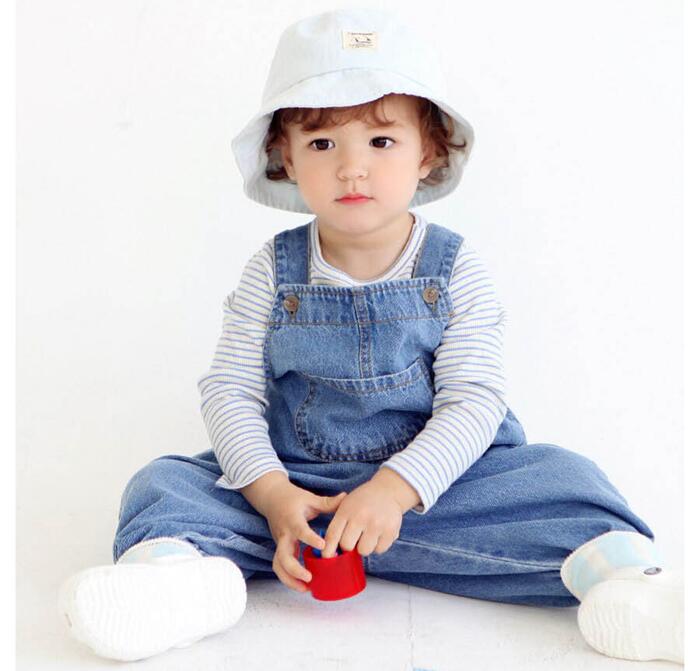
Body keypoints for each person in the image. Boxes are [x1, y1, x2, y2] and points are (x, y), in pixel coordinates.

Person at [57, 7, 684, 664]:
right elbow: (230, 392)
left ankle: (632, 589)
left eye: (381, 141)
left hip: (439, 493)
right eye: (322, 144)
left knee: (568, 479)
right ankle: (172, 583)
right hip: (302, 491)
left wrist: (394, 490)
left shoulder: (455, 267)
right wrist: (271, 495)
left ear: (428, 153)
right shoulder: (273, 269)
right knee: (163, 484)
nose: (352, 169)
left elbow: (474, 400)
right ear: (285, 157)